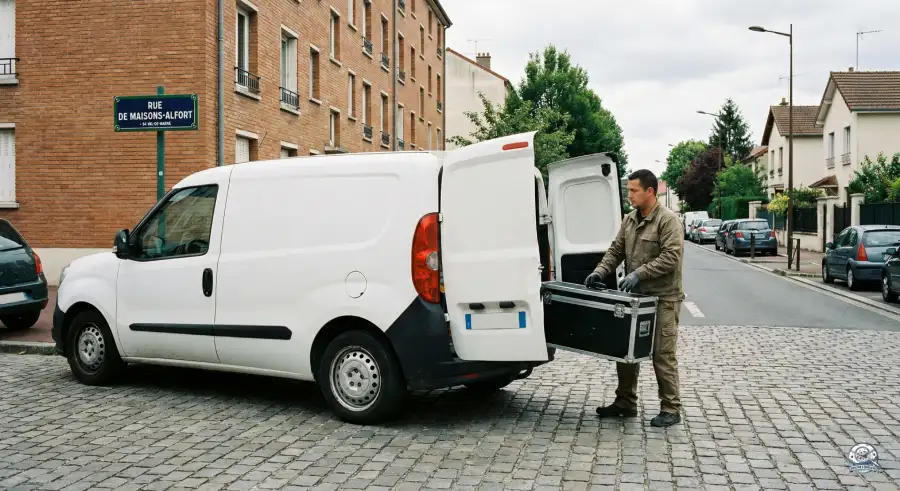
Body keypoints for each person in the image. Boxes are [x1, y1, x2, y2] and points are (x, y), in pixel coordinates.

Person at [584, 169, 685, 428]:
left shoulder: (668, 220)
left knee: (662, 354)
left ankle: (671, 408)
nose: (629, 195)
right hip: (636, 300)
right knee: (625, 350)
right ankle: (625, 402)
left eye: (633, 190)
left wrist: (639, 273)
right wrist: (599, 271)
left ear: (650, 192)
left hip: (664, 298)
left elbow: (671, 257)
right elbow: (616, 250)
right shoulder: (630, 219)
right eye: (628, 190)